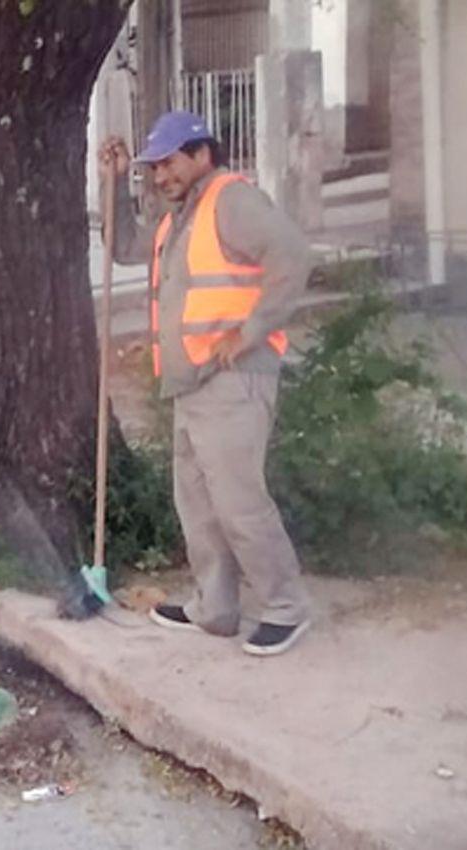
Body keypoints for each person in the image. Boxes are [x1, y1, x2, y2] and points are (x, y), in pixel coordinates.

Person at [101, 111, 314, 657]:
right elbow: (125, 248)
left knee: (239, 500)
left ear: (202, 153)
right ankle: (214, 607)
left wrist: (249, 333)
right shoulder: (180, 218)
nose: (160, 175)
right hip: (193, 382)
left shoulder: (231, 201)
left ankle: (286, 607)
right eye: (153, 167)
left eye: (169, 162)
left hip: (234, 379)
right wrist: (117, 183)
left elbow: (291, 256)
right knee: (196, 500)